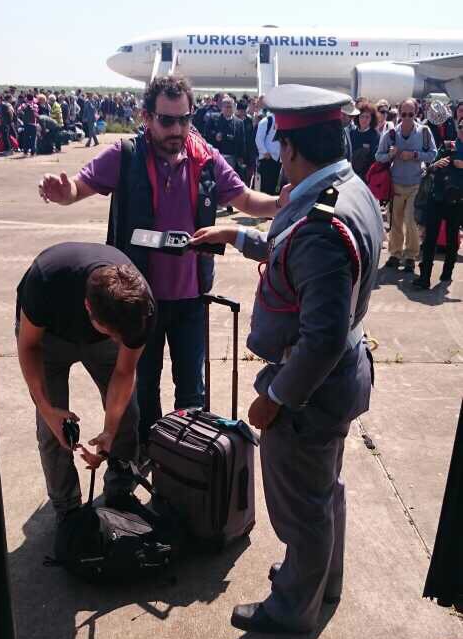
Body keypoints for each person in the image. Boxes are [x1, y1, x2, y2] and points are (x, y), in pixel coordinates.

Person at [191, 84, 384, 634]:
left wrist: (274, 398)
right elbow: (293, 250)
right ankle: (323, 580)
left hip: (312, 387)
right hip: (340, 376)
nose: (277, 156)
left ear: (295, 148)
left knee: (301, 506)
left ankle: (293, 605)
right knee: (323, 491)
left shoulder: (323, 221)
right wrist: (241, 236)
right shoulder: (346, 187)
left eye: (280, 146)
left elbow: (320, 336)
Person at [38, 75, 287, 450]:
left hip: (190, 299)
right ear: (146, 117)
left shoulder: (205, 159)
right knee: (144, 389)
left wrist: (281, 202)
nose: (177, 129)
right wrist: (63, 192)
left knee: (192, 392)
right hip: (139, 301)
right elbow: (79, 186)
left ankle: (188, 462)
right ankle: (149, 455)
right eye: (167, 120)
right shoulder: (125, 155)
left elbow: (247, 200)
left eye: (184, 119)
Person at [16, 242, 156, 524]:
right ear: (88, 307)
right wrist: (46, 409)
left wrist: (109, 432)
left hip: (98, 337)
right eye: (114, 334)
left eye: (122, 336)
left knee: (127, 414)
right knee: (52, 429)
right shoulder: (45, 282)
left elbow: (124, 372)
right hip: (49, 338)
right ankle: (67, 509)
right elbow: (28, 347)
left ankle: (120, 492)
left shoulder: (139, 309)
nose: (120, 341)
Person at [376, 98, 436, 272]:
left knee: (410, 220)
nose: (407, 117)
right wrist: (390, 155)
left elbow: (433, 154)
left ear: (417, 113)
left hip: (416, 182)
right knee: (395, 221)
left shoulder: (424, 132)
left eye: (411, 114)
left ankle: (410, 255)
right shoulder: (391, 134)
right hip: (395, 183)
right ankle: (395, 254)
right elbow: (378, 156)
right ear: (399, 114)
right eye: (404, 114)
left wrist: (415, 155)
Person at [413, 119, 463, 288]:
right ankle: (424, 276)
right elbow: (431, 167)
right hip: (438, 197)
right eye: (461, 127)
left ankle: (447, 273)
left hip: (457, 201)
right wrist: (435, 165)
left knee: (452, 239)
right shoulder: (448, 145)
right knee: (430, 239)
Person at [349, 101, 380, 180]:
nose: (364, 119)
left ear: (372, 119)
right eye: (362, 116)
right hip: (350, 174)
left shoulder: (375, 135)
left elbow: (374, 158)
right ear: (357, 117)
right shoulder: (352, 133)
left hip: (366, 177)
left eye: (367, 117)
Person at [255, 108, 281, 193]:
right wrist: (265, 152)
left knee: (273, 186)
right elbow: (258, 139)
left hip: (277, 159)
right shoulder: (266, 121)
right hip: (267, 158)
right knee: (265, 187)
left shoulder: (281, 121)